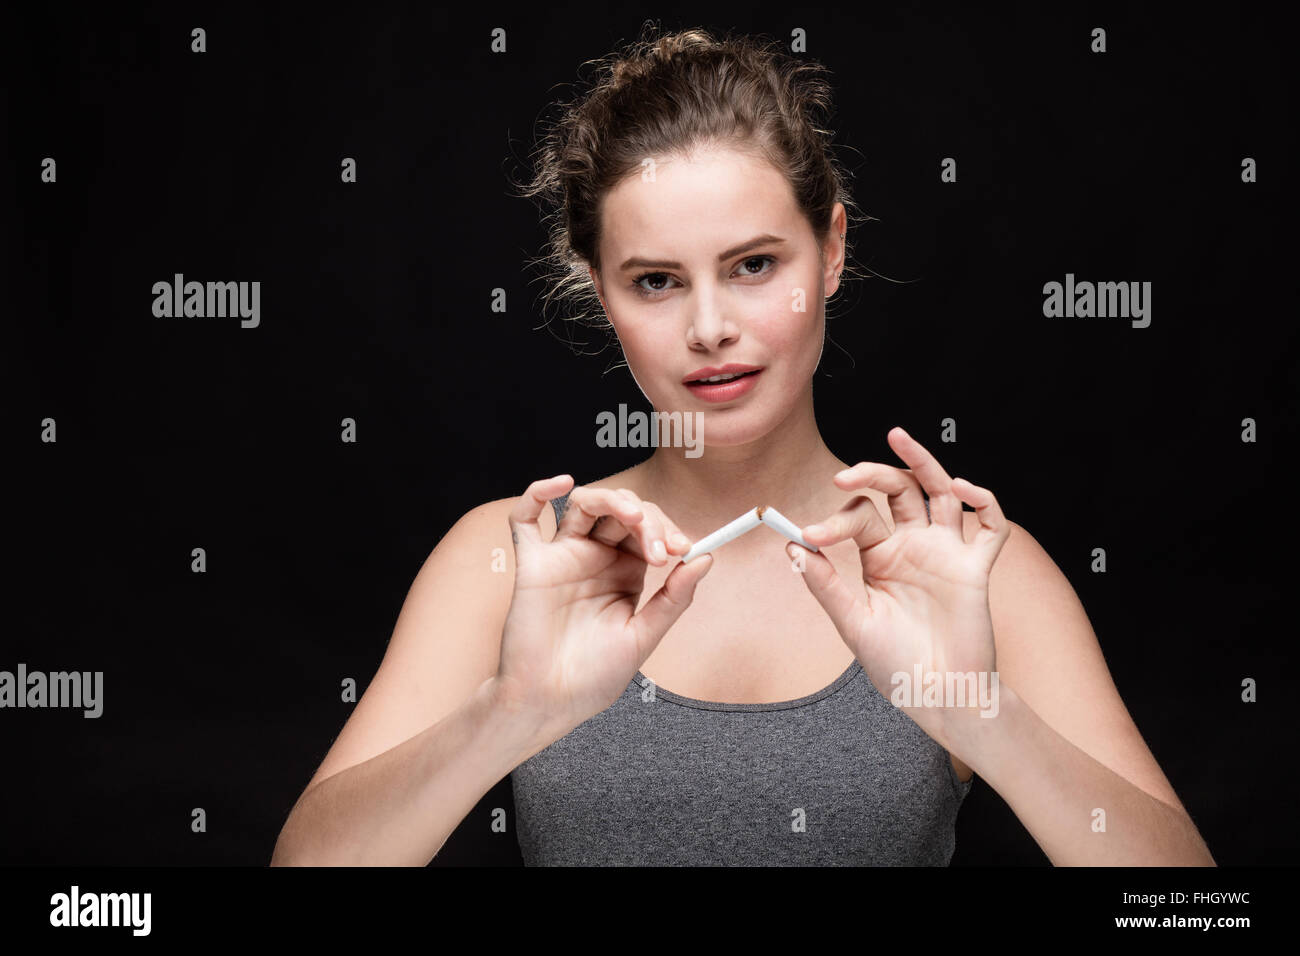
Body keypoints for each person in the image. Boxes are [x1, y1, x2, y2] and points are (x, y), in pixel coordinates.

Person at [270, 25, 1214, 866]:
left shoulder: (971, 569)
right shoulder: (513, 560)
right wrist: (513, 713)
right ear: (601, 293)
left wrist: (981, 717)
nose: (710, 327)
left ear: (832, 249)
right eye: (655, 282)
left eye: (754, 265)